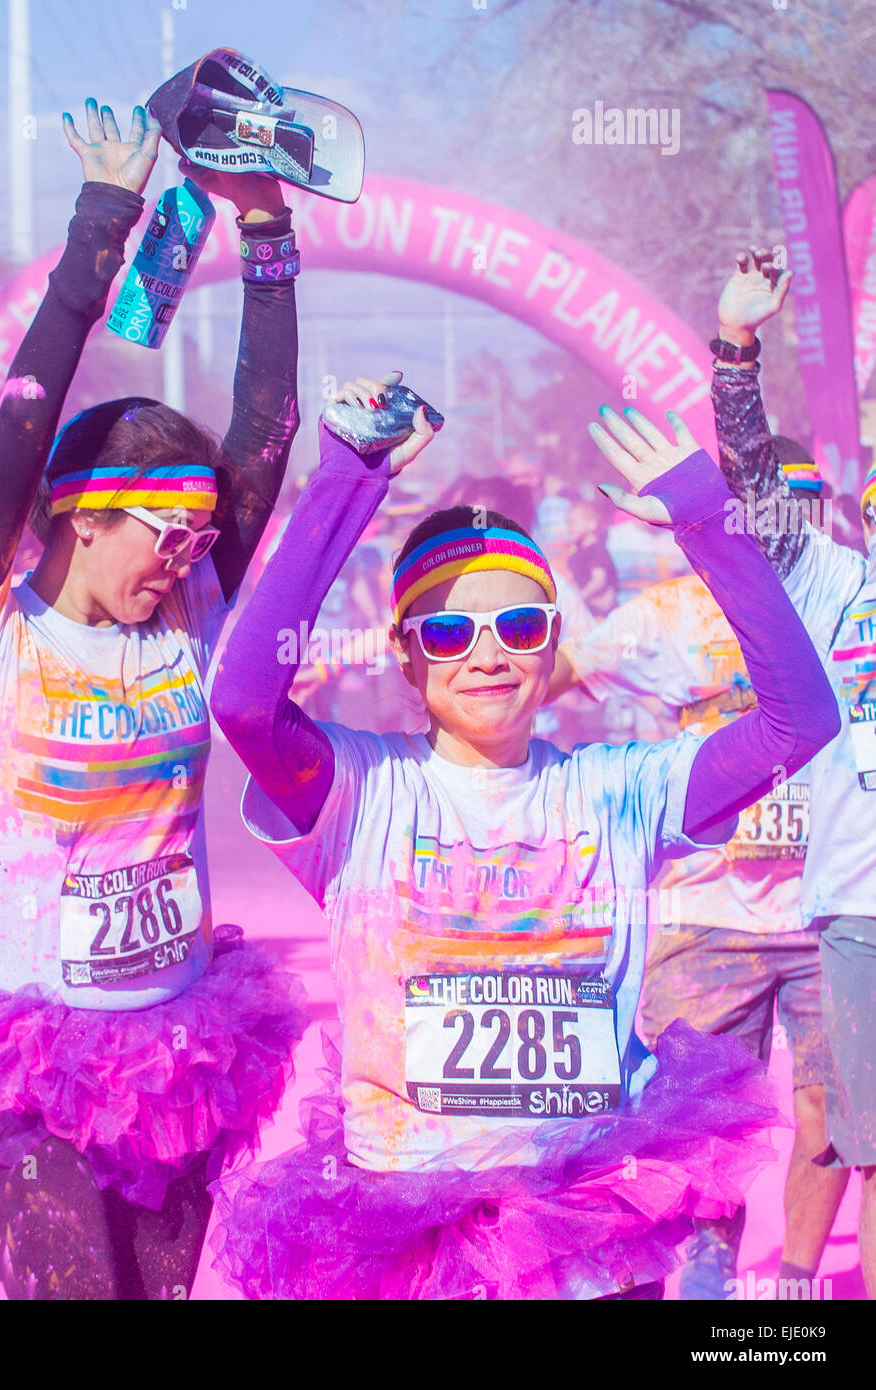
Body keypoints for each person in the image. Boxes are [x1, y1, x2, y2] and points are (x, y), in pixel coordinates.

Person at [206, 370, 839, 1300]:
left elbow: (799, 722)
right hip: (410, 1221)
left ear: (552, 643)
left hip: (588, 1217)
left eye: (519, 624)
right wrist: (347, 476)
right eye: (451, 630)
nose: (489, 652)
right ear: (407, 656)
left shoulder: (621, 788)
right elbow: (244, 701)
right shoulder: (360, 791)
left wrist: (708, 518)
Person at [0, 99, 305, 1300]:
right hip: (16, 1054)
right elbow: (24, 418)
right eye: (163, 531)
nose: (187, 555)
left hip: (176, 1043)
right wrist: (104, 215)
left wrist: (265, 231)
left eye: (202, 535)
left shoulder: (186, 618)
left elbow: (265, 430)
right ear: (80, 518)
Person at [545, 449, 848, 1299]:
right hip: (705, 915)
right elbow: (561, 673)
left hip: (830, 911)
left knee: (831, 1110)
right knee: (699, 1118)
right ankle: (709, 1269)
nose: (788, 525)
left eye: (806, 506)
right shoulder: (674, 615)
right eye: (769, 508)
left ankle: (793, 1285)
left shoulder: (849, 606)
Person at [708, 244, 876, 1298]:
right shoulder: (830, 581)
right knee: (867, 1142)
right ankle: (792, 1300)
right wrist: (735, 348)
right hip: (863, 911)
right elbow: (756, 489)